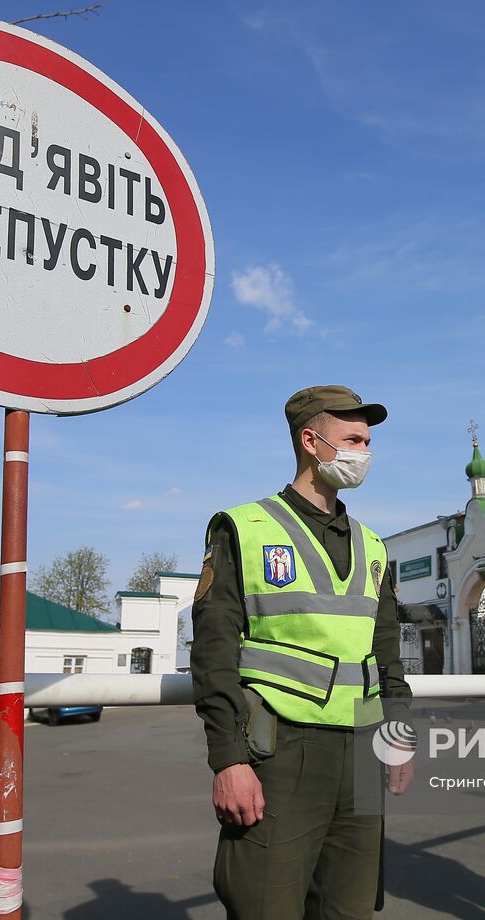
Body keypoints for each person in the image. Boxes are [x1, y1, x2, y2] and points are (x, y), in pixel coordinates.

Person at [190, 385, 414, 920]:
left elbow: (387, 653)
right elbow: (214, 649)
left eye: (368, 441)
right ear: (312, 441)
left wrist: (398, 732)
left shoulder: (374, 546)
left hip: (361, 751)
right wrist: (229, 759)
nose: (365, 452)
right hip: (280, 751)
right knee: (266, 905)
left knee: (350, 908)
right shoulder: (244, 528)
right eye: (353, 439)